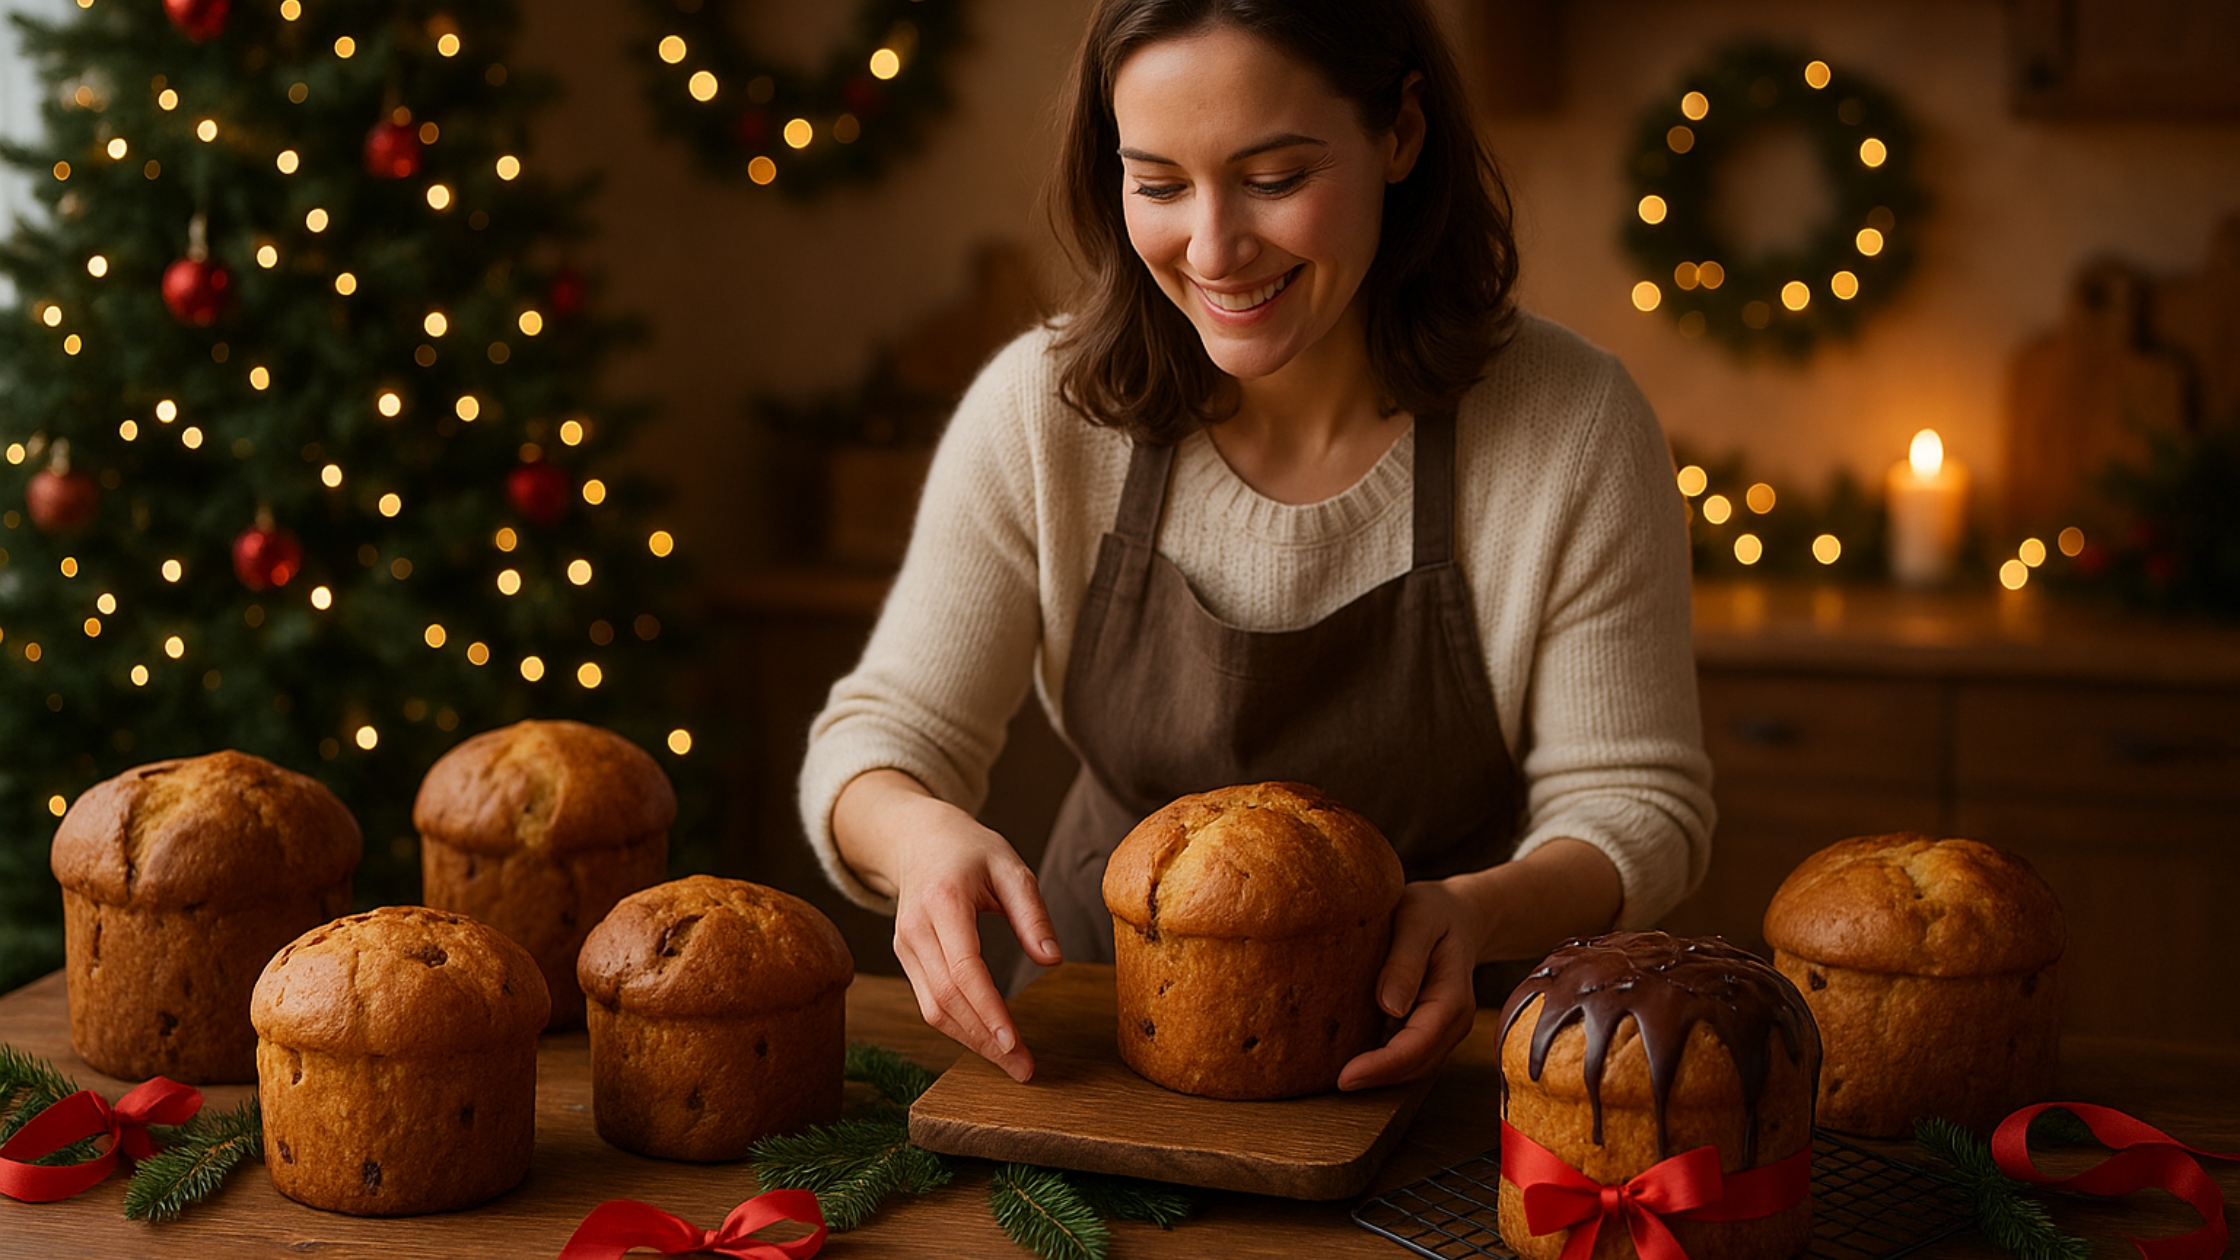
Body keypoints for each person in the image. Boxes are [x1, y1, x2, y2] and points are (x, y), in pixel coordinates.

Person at [799, 0, 1712, 1091]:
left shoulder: (1569, 426)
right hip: (1092, 1046)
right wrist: (916, 844)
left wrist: (1478, 910)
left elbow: (1633, 805)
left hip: (1431, 1057)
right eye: (1157, 184)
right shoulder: (1040, 412)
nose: (1213, 248)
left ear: (1400, 134)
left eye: (1274, 178)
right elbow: (874, 740)